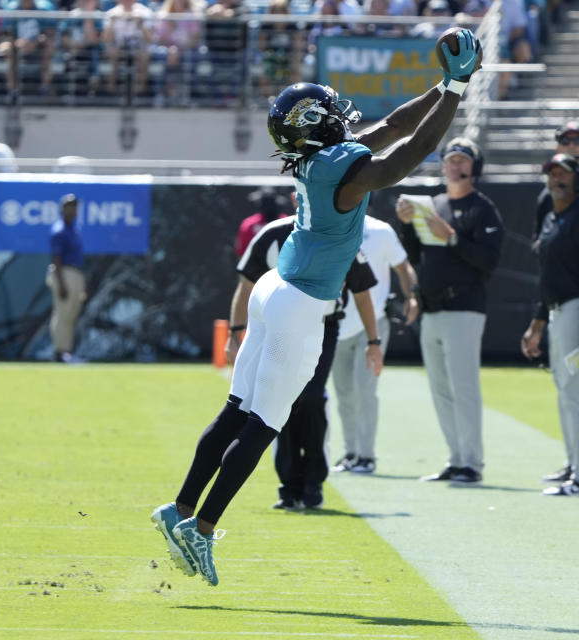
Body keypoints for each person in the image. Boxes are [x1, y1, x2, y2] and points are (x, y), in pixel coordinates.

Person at [151, 28, 481, 586]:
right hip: (301, 305)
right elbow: (410, 153)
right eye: (327, 110)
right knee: (263, 424)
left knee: (237, 409)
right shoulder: (341, 167)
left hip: (274, 290)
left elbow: (396, 126)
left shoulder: (321, 159)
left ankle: (179, 508)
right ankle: (200, 530)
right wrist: (456, 90)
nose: (339, 115)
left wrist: (445, 85)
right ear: (313, 122)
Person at [230, 214, 383, 510]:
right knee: (280, 400)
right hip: (281, 326)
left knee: (311, 398)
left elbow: (362, 293)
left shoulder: (342, 236)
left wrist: (373, 342)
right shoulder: (272, 234)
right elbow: (246, 283)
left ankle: (313, 480)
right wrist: (235, 332)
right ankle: (289, 484)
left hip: (323, 325)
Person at [394, 136, 504, 485]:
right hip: (432, 308)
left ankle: (472, 463)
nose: (455, 165)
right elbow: (417, 254)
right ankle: (456, 458)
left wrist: (453, 236)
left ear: (475, 167)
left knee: (464, 386)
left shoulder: (483, 208)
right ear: (442, 165)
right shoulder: (435, 204)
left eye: (463, 160)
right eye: (451, 159)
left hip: (464, 307)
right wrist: (407, 223)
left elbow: (488, 262)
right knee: (441, 388)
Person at [331, 214, 418, 474]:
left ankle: (366, 455)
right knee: (344, 392)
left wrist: (412, 296)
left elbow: (403, 267)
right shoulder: (328, 223)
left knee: (365, 389)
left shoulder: (380, 230)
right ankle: (351, 452)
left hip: (374, 323)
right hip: (336, 324)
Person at [521, 153, 579, 496]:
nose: (557, 178)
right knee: (565, 391)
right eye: (552, 173)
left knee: (574, 391)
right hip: (558, 311)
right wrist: (538, 323)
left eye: (564, 173)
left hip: (576, 309)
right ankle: (573, 464)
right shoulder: (551, 219)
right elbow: (548, 278)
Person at [47, 194, 86, 363]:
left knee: (71, 314)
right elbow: (56, 259)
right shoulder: (59, 230)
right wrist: (61, 283)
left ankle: (66, 351)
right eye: (69, 206)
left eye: (75, 207)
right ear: (62, 209)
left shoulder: (74, 230)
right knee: (62, 313)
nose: (73, 210)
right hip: (63, 273)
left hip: (76, 273)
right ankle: (60, 352)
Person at [532, 121, 579, 252]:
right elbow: (538, 240)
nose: (572, 145)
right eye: (565, 140)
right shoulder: (549, 194)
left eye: (577, 140)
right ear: (557, 148)